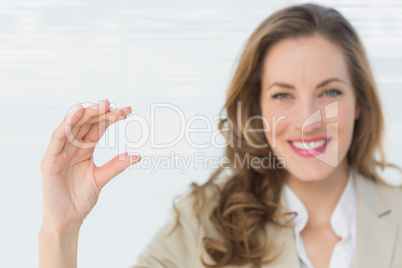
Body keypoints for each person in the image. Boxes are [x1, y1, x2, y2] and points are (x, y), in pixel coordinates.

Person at [38, 3, 402, 268]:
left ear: (359, 103)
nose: (308, 120)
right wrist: (61, 230)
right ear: (257, 109)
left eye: (330, 92)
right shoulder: (203, 221)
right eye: (283, 95)